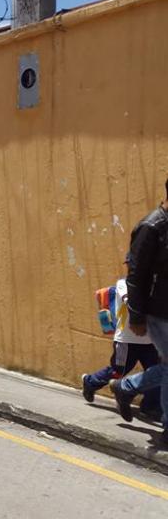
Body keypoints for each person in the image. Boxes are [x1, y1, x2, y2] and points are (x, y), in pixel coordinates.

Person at [110, 175, 168, 446]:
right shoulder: (151, 226)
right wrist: (136, 314)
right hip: (158, 311)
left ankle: (125, 388)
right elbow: (136, 274)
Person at [81, 277, 161, 418]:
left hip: (151, 341)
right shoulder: (124, 284)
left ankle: (150, 406)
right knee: (117, 371)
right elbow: (132, 303)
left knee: (156, 372)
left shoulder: (156, 285)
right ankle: (90, 382)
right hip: (127, 340)